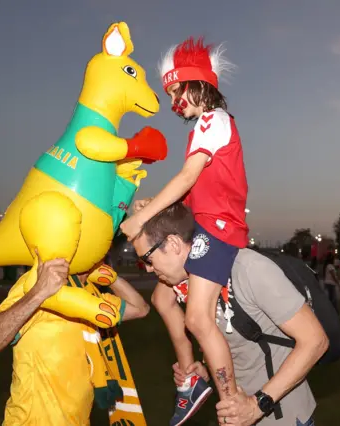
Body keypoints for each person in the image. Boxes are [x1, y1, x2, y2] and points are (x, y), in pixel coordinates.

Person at [120, 36, 249, 423]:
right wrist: (151, 207)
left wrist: (142, 219)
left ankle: (229, 403)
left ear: (198, 85)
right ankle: (191, 378)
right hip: (203, 225)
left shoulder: (214, 120)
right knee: (161, 300)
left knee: (196, 319)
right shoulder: (200, 130)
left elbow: (189, 175)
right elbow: (192, 193)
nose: (175, 103)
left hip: (220, 228)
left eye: (178, 92)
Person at [132, 203, 327, 426]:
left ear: (174, 243)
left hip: (281, 417)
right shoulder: (192, 284)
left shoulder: (250, 270)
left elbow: (316, 341)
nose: (147, 268)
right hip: (238, 415)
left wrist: (257, 405)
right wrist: (205, 369)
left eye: (147, 258)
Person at [0, 251, 150, 425]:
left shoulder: (92, 295)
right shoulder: (39, 285)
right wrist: (39, 293)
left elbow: (140, 309)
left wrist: (112, 278)